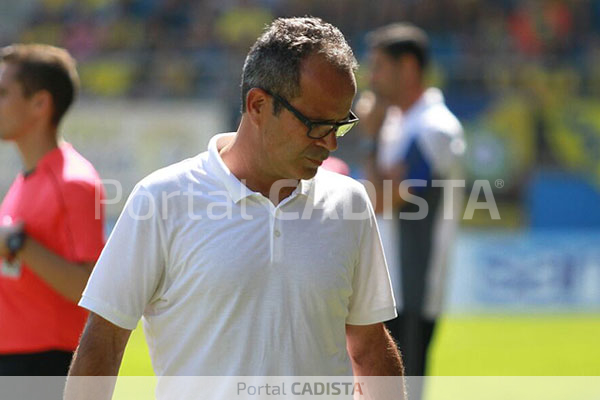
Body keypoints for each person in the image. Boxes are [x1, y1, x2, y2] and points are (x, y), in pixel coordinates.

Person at [66, 17, 403, 399]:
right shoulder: (161, 199)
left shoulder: (349, 202)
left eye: (340, 125)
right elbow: (104, 344)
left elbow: (369, 345)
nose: (331, 144)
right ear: (258, 104)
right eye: (316, 125)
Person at [359, 23, 466, 380]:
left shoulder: (435, 128)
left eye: (379, 67)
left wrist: (371, 142)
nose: (371, 77)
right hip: (385, 285)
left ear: (407, 67)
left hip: (412, 290)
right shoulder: (398, 123)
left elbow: (382, 199)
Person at [0, 44, 106, 376]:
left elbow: (90, 288)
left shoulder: (73, 182)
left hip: (45, 363)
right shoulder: (26, 180)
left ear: (40, 104)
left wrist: (19, 245)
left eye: (3, 93)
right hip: (18, 358)